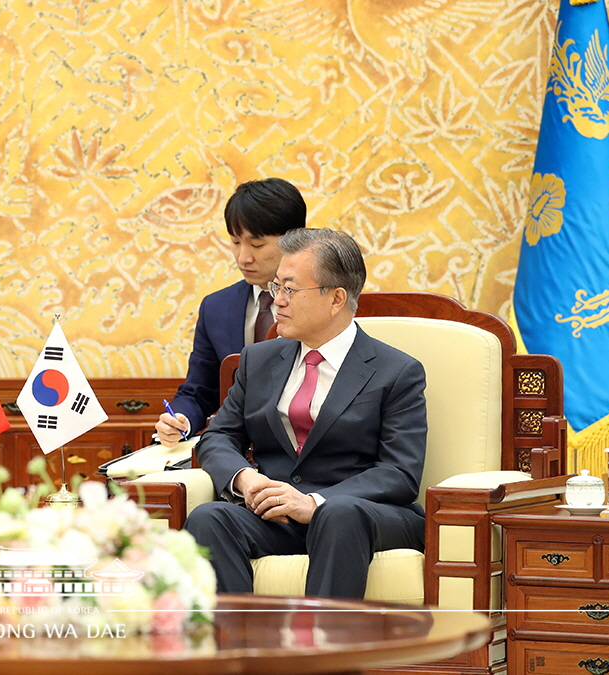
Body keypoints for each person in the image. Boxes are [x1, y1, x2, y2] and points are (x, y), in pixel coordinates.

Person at [184, 228, 427, 598]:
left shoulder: (396, 371)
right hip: (278, 516)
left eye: (290, 290)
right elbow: (218, 437)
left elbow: (400, 472)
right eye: (275, 287)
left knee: (339, 514)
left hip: (361, 516)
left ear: (336, 299)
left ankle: (322, 652)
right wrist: (247, 480)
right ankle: (240, 650)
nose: (277, 301)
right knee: (208, 518)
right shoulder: (258, 361)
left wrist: (314, 502)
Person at [155, 178, 307, 446]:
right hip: (236, 449)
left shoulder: (320, 302)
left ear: (293, 239)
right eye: (236, 243)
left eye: (256, 245)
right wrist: (180, 419)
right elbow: (200, 392)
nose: (243, 257)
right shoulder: (216, 308)